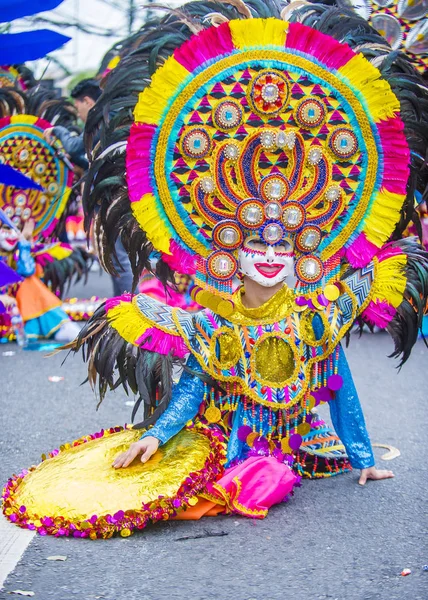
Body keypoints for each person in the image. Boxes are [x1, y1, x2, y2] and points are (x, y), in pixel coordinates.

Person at [3, 0, 428, 539]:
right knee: (229, 477)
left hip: (297, 446)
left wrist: (363, 457)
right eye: (257, 243)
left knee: (270, 474)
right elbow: (192, 389)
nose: (272, 255)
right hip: (226, 442)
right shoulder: (212, 324)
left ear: (302, 249)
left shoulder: (315, 319)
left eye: (283, 245)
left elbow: (341, 389)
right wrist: (158, 436)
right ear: (232, 250)